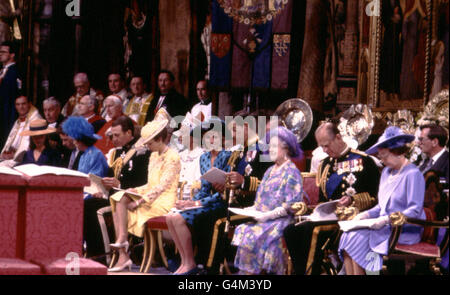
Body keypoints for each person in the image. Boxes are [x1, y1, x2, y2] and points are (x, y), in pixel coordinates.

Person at [283, 121, 380, 275]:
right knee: (290, 230)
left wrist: (352, 200)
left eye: (327, 145)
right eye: (321, 146)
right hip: (328, 217)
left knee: (312, 231)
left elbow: (375, 198)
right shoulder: (325, 165)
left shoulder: (365, 161)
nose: (324, 150)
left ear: (338, 137)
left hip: (352, 220)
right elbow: (323, 201)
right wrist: (309, 209)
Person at [339, 126, 426, 275]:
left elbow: (415, 210)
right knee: (347, 236)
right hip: (383, 227)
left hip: (403, 228)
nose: (382, 160)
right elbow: (382, 205)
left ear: (398, 152)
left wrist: (386, 220)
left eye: (385, 156)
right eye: (380, 156)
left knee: (357, 237)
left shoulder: (413, 173)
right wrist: (364, 215)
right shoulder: (386, 172)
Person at [108, 118, 181, 272]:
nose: (147, 146)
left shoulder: (172, 156)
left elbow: (162, 187)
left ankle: (122, 249)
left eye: (150, 143)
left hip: (164, 200)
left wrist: (140, 200)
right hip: (151, 195)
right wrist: (136, 189)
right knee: (118, 197)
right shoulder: (154, 155)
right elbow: (150, 184)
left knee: (128, 205)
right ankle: (122, 246)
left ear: (160, 139)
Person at [231, 127, 303, 275]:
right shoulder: (269, 170)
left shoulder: (291, 171)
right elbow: (259, 201)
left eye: (274, 146)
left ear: (286, 148)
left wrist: (267, 215)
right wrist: (248, 210)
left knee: (252, 234)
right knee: (242, 229)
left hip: (281, 220)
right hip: (262, 218)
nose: (269, 149)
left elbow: (289, 206)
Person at [165, 118, 231, 275]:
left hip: (220, 203)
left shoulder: (228, 156)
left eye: (214, 136)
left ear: (222, 138)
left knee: (179, 219)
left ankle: (190, 263)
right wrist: (189, 202)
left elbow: (222, 193)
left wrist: (197, 204)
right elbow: (204, 188)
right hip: (206, 201)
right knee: (171, 216)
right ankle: (184, 261)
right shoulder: (204, 158)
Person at [84, 116, 150, 262]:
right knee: (86, 204)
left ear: (129, 133)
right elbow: (109, 177)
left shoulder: (142, 153)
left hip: (129, 199)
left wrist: (118, 184)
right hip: (111, 196)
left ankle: (101, 256)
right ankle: (94, 252)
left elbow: (142, 182)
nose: (113, 139)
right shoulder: (117, 152)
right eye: (112, 135)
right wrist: (101, 189)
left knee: (90, 207)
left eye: (117, 135)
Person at [0, 96, 42, 167]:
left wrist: (14, 155)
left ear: (29, 104)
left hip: (25, 159)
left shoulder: (35, 119)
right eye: (18, 104)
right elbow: (10, 141)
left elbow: (28, 145)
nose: (21, 107)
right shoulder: (18, 121)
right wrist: (5, 153)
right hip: (11, 156)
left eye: (23, 104)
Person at [0, 41, 21, 149]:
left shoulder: (15, 72)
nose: (0, 54)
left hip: (7, 118)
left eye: (3, 52)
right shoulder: (2, 71)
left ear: (12, 55)